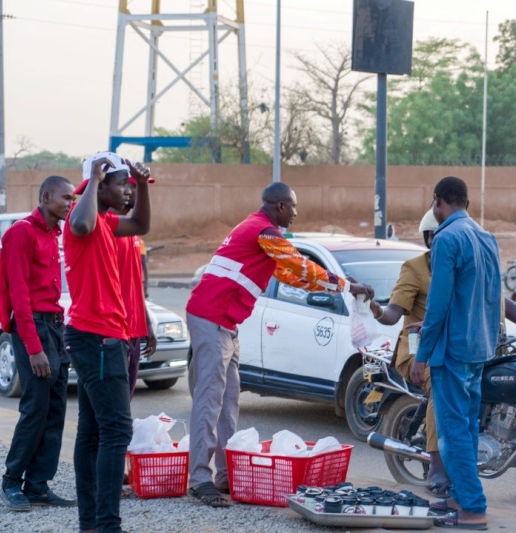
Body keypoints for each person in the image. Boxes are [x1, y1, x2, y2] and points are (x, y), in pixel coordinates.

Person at [185, 182, 374, 507]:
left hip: (225, 322)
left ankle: (226, 475)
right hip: (211, 319)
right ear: (280, 206)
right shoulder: (265, 231)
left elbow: (289, 275)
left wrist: (337, 289)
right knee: (209, 400)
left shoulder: (257, 231)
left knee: (228, 401)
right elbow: (300, 265)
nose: (297, 213)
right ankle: (199, 479)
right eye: (293, 206)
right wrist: (345, 284)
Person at [371, 210, 516, 501]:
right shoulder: (415, 268)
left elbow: (501, 300)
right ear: (432, 238)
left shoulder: (470, 263)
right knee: (441, 390)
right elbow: (395, 311)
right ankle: (436, 466)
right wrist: (378, 310)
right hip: (424, 351)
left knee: (513, 396)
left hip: (474, 348)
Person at [63, 151, 151, 533]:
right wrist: (95, 179)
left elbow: (141, 225)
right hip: (98, 337)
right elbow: (80, 224)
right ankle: (107, 525)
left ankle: (91, 524)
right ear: (100, 184)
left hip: (102, 335)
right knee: (116, 430)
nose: (127, 191)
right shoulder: (83, 218)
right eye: (122, 184)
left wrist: (143, 185)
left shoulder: (109, 221)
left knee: (94, 430)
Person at [409, 177, 500, 530]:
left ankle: (473, 508)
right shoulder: (487, 238)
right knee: (467, 428)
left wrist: (422, 356)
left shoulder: (447, 238)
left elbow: (439, 303)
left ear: (438, 201)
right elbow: (493, 299)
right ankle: (458, 497)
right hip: (479, 347)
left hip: (452, 351)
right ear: (467, 202)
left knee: (452, 432)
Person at [0, 175, 77, 512]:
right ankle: (11, 482)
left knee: (56, 408)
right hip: (34, 329)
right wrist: (33, 347)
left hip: (56, 326)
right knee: (35, 410)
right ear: (45, 197)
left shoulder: (54, 233)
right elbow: (19, 296)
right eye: (66, 198)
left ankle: (38, 484)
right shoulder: (21, 233)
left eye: (73, 198)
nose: (71, 204)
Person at [111, 176, 157, 398]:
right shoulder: (107, 228)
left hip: (134, 329)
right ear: (125, 189)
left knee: (125, 399)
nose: (142, 193)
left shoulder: (132, 230)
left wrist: (146, 322)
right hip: (115, 331)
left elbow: (135, 283)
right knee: (114, 404)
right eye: (139, 186)